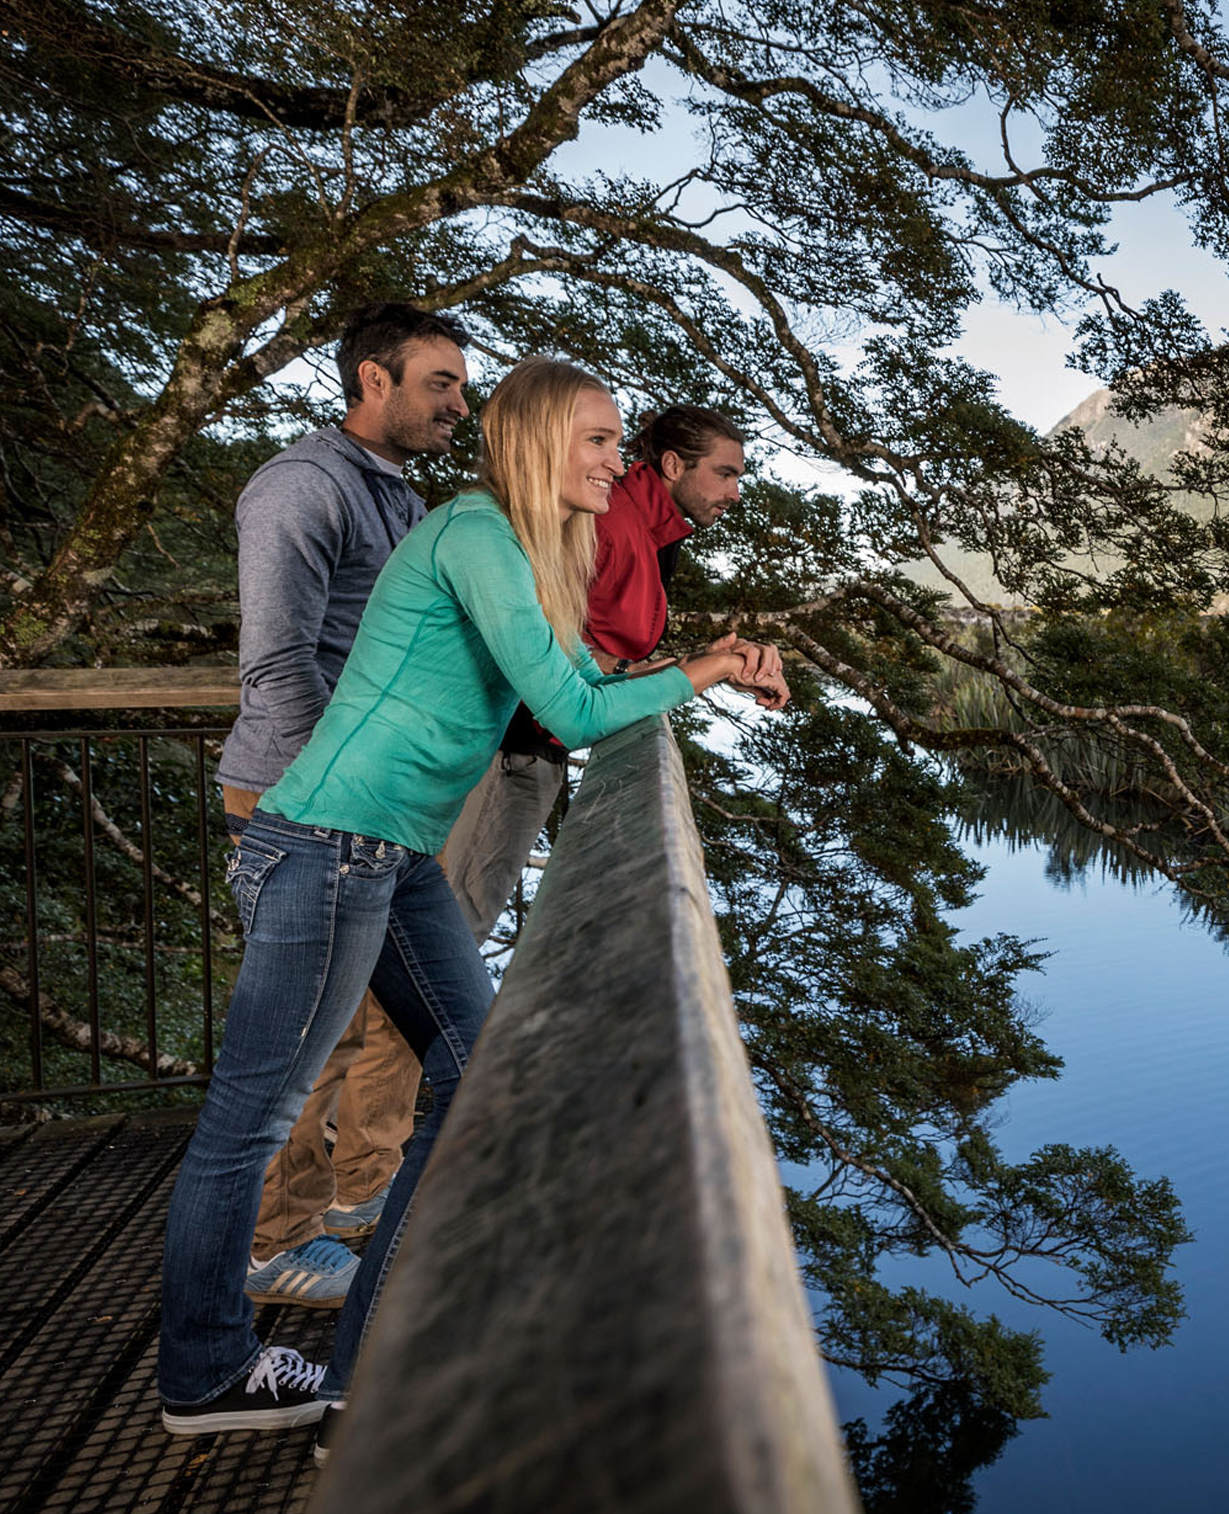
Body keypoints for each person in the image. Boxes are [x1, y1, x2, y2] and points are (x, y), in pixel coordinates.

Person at [159, 357, 785, 1435]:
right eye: (596, 439)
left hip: (384, 855)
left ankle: (371, 1365)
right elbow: (572, 708)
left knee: (471, 1077)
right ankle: (205, 1373)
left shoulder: (530, 546)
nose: (614, 459)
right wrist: (712, 673)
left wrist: (703, 657)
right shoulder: (476, 532)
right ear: (539, 440)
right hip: (327, 843)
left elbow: (580, 687)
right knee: (246, 1123)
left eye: (618, 439)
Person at [214, 302, 469, 1311]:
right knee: (308, 1044)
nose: (459, 401)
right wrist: (351, 782)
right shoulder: (301, 487)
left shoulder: (397, 498)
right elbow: (279, 665)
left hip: (377, 808)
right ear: (374, 378)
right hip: (305, 801)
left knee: (399, 1030)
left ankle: (361, 1197)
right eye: (440, 381)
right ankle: (271, 1246)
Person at [438, 403, 781, 933]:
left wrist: (713, 663)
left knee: (447, 932)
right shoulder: (609, 523)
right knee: (452, 928)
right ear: (673, 465)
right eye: (725, 473)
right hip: (508, 753)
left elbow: (596, 659)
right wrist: (706, 668)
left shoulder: (648, 531)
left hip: (530, 748)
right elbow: (548, 646)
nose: (735, 492)